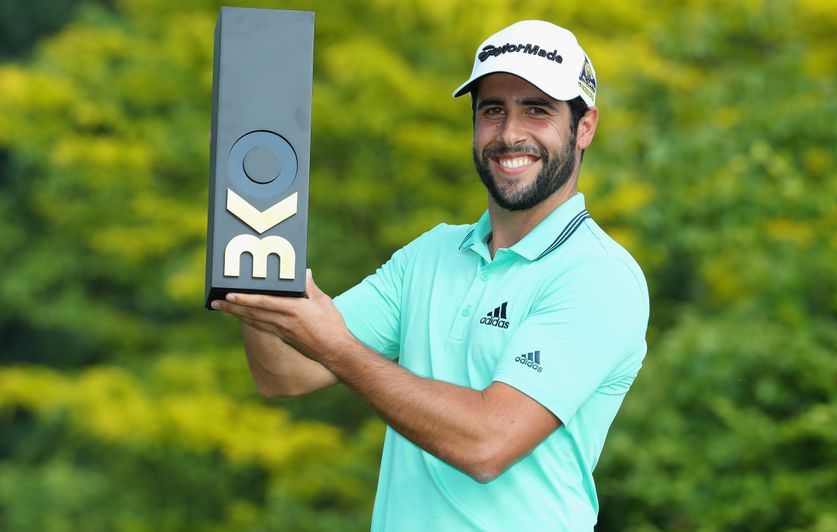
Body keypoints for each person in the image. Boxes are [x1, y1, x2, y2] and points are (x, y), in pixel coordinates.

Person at [213, 19, 649, 531]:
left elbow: (487, 443)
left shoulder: (599, 276)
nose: (510, 134)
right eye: (493, 111)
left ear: (585, 127)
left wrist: (336, 347)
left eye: (537, 110)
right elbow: (285, 373)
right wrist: (253, 243)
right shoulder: (431, 254)